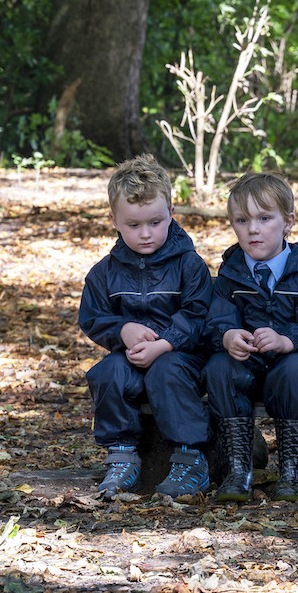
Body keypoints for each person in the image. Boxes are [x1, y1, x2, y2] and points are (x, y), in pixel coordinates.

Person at [79, 154, 215, 499]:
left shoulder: (189, 265)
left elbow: (198, 314)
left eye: (155, 222)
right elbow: (93, 316)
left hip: (183, 358)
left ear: (171, 213)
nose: (146, 234)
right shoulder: (105, 272)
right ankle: (122, 454)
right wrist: (122, 330)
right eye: (134, 225)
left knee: (166, 371)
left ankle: (190, 458)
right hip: (132, 359)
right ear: (114, 220)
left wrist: (165, 343)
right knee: (106, 372)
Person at [203, 173, 298, 503]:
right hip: (248, 367)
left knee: (295, 369)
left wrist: (286, 339)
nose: (253, 229)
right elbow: (217, 319)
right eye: (242, 220)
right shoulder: (230, 275)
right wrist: (228, 335)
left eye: (264, 218)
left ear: (288, 222)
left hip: (295, 369)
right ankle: (238, 468)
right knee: (220, 366)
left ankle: (292, 470)